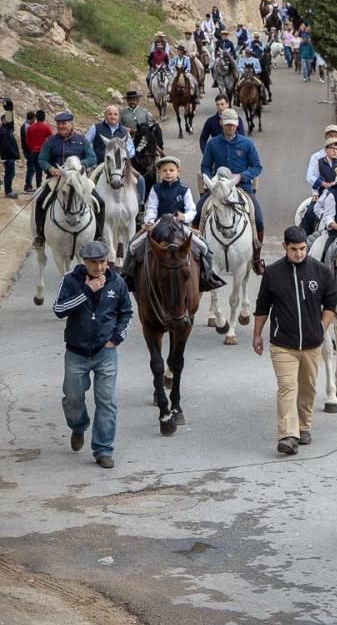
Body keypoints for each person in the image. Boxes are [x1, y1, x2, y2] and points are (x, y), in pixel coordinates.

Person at [253, 225, 337, 456]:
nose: (299, 253)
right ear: (284, 247)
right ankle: (288, 435)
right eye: (294, 249)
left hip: (312, 344)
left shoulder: (321, 272)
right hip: (282, 344)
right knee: (287, 387)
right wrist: (257, 334)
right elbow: (262, 306)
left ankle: (303, 426)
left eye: (302, 249)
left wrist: (321, 327)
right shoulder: (272, 273)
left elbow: (331, 304)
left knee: (308, 388)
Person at [53, 240, 133, 469]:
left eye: (102, 262)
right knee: (72, 397)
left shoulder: (117, 283)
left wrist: (116, 339)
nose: (99, 268)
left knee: (107, 401)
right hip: (76, 352)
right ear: (83, 261)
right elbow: (59, 309)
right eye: (93, 263)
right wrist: (88, 291)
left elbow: (126, 313)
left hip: (105, 353)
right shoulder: (70, 281)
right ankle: (78, 427)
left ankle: (103, 449)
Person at [122, 156, 224, 292]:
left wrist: (185, 216)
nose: (168, 173)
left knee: (205, 247)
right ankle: (127, 276)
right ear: (159, 172)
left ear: (178, 171)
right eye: (164, 170)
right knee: (133, 245)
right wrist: (149, 221)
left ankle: (208, 276)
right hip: (159, 223)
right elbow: (151, 208)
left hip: (180, 225)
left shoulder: (184, 189)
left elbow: (191, 209)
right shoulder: (155, 189)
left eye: (171, 170)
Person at [195, 108, 265, 274]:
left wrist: (242, 176)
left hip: (242, 187)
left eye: (233, 125)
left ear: (237, 124)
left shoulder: (247, 144)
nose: (231, 128)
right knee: (198, 213)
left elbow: (257, 167)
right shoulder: (213, 144)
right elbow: (205, 166)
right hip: (219, 187)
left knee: (259, 218)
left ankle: (256, 257)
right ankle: (197, 256)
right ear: (221, 124)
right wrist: (210, 180)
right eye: (227, 125)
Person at [34, 112, 105, 249]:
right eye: (59, 124)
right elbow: (42, 159)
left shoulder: (82, 140)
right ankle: (40, 234)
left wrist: (76, 166)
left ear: (71, 124)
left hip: (79, 179)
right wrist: (49, 168)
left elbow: (92, 158)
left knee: (100, 203)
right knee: (40, 201)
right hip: (57, 178)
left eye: (64, 123)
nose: (61, 126)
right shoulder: (50, 141)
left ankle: (99, 235)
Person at [84, 105, 146, 205]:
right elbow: (85, 143)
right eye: (110, 114)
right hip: (101, 164)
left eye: (115, 114)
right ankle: (87, 205)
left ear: (119, 116)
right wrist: (92, 155)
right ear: (105, 115)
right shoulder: (96, 128)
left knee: (141, 180)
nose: (113, 117)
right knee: (88, 181)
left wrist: (124, 154)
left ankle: (140, 205)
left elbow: (131, 150)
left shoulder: (124, 131)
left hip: (121, 166)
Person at [305, 125, 337, 194]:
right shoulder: (316, 157)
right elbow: (310, 176)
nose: (334, 138)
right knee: (312, 205)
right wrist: (325, 184)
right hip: (323, 192)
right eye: (331, 136)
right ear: (325, 137)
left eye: (336, 136)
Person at [24, 109, 52, 194]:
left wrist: (32, 148)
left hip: (34, 152)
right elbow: (51, 140)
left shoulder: (31, 127)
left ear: (36, 117)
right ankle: (49, 188)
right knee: (48, 170)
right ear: (44, 117)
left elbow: (27, 141)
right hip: (45, 152)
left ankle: (39, 189)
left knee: (38, 172)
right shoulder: (47, 127)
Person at [0, 110, 19, 199]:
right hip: (8, 156)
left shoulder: (7, 129)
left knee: (11, 173)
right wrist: (13, 153)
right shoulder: (3, 131)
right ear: (3, 120)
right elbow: (6, 145)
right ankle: (8, 191)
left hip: (10, 156)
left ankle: (9, 190)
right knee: (9, 174)